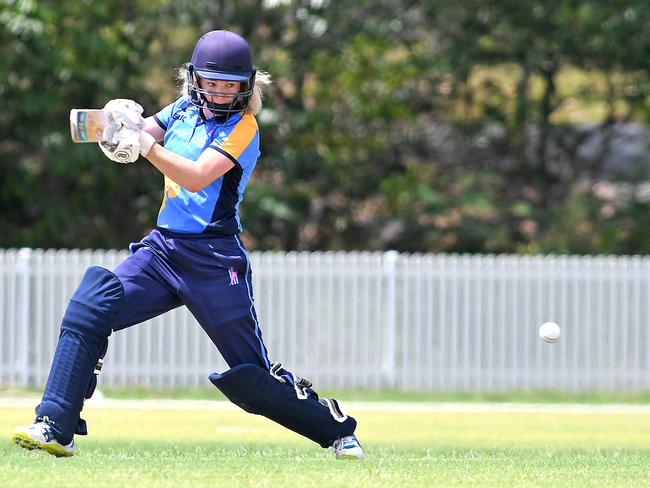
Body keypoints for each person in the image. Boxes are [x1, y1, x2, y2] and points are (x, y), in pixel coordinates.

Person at [12, 29, 364, 460]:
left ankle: (337, 431)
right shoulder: (181, 110)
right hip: (162, 252)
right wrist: (116, 122)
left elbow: (196, 175)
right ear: (193, 78)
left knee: (250, 378)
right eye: (211, 81)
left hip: (215, 260)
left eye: (229, 83)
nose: (219, 92)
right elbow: (136, 136)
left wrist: (142, 144)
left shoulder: (245, 127)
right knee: (90, 305)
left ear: (247, 84)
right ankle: (55, 425)